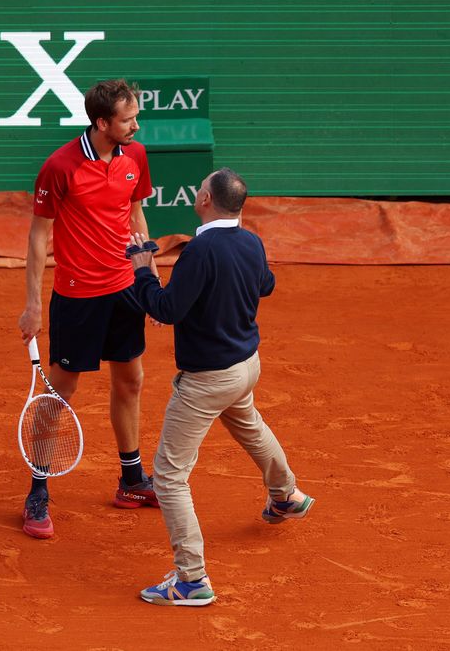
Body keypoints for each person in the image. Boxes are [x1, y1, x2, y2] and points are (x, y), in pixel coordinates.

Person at [126, 167, 314, 606]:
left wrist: (143, 270)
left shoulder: (201, 250)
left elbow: (167, 309)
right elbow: (263, 285)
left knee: (170, 478)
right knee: (250, 424)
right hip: (245, 365)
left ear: (206, 199)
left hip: (208, 379)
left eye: (201, 188)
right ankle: (285, 495)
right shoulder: (250, 241)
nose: (198, 191)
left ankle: (191, 580)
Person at [17, 79, 159, 540]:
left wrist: (150, 280)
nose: (136, 125)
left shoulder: (135, 155)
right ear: (102, 123)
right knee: (59, 392)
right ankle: (37, 490)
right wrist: (33, 304)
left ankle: (132, 480)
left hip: (124, 288)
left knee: (131, 379)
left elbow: (136, 218)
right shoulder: (61, 166)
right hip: (77, 295)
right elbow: (40, 236)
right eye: (128, 119)